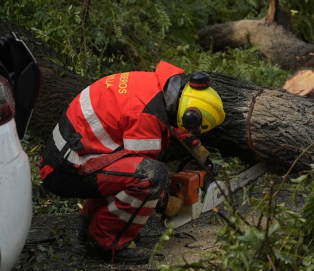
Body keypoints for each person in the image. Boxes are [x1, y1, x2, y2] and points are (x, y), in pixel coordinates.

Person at [39, 62, 225, 264]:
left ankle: (91, 226)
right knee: (151, 176)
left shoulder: (156, 88)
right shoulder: (145, 113)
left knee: (125, 169)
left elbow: (165, 123)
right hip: (64, 171)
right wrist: (166, 202)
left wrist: (194, 146)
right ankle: (104, 242)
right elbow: (142, 167)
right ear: (190, 114)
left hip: (72, 159)